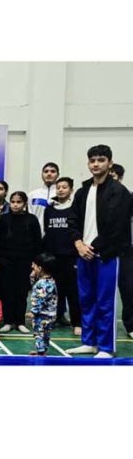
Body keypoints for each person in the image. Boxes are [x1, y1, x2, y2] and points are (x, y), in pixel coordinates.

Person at [67, 145, 132, 358]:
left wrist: (91, 248)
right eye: (92, 160)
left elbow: (117, 227)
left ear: (110, 163)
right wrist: (78, 243)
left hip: (107, 255)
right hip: (83, 253)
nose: (96, 164)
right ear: (88, 163)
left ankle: (105, 347)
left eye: (101, 160)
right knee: (86, 298)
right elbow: (72, 220)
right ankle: (90, 341)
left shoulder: (119, 192)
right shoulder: (83, 191)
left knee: (105, 301)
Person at [0, 191, 43, 334]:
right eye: (13, 202)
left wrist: (36, 262)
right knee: (8, 291)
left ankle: (20, 321)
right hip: (6, 261)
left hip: (25, 262)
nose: (15, 205)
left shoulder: (32, 219)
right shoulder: (3, 219)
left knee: (21, 292)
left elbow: (37, 242)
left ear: (24, 203)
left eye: (19, 202)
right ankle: (8, 321)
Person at [43, 177, 82, 334]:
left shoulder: (75, 208)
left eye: (64, 187)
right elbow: (47, 231)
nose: (60, 190)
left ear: (71, 190)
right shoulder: (49, 209)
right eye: (58, 187)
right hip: (54, 257)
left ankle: (77, 322)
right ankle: (55, 318)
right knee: (54, 291)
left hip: (71, 256)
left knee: (73, 291)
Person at [109, 168, 133, 340]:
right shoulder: (96, 197)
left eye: (114, 177)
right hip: (109, 250)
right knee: (116, 290)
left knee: (129, 288)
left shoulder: (128, 196)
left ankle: (130, 324)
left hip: (127, 250)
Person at [26, 253, 58, 356]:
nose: (32, 267)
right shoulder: (51, 281)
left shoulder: (42, 284)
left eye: (34, 265)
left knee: (39, 333)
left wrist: (33, 312)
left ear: (40, 268)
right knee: (46, 334)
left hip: (42, 315)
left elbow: (40, 298)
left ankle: (40, 352)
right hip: (51, 314)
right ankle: (43, 350)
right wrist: (32, 277)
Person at [28, 162, 60, 235]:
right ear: (42, 174)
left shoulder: (63, 195)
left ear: (58, 175)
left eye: (53, 171)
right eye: (46, 171)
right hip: (36, 236)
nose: (49, 174)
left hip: (56, 236)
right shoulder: (32, 195)